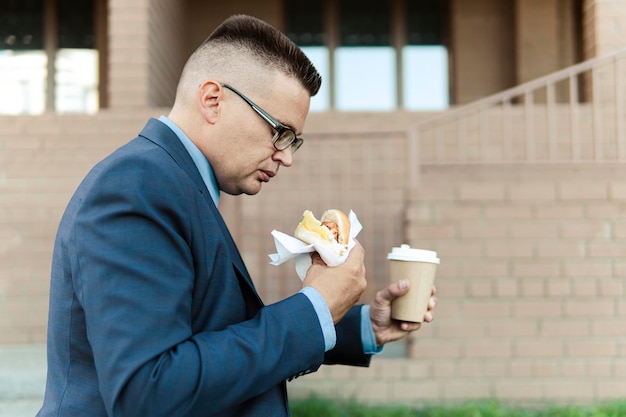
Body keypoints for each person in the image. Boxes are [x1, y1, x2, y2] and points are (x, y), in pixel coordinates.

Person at [36, 14, 437, 417]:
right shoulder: (137, 185)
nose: (287, 156)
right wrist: (314, 307)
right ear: (213, 100)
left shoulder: (175, 183)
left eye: (294, 140)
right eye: (280, 132)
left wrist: (361, 325)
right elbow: (149, 390)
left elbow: (212, 336)